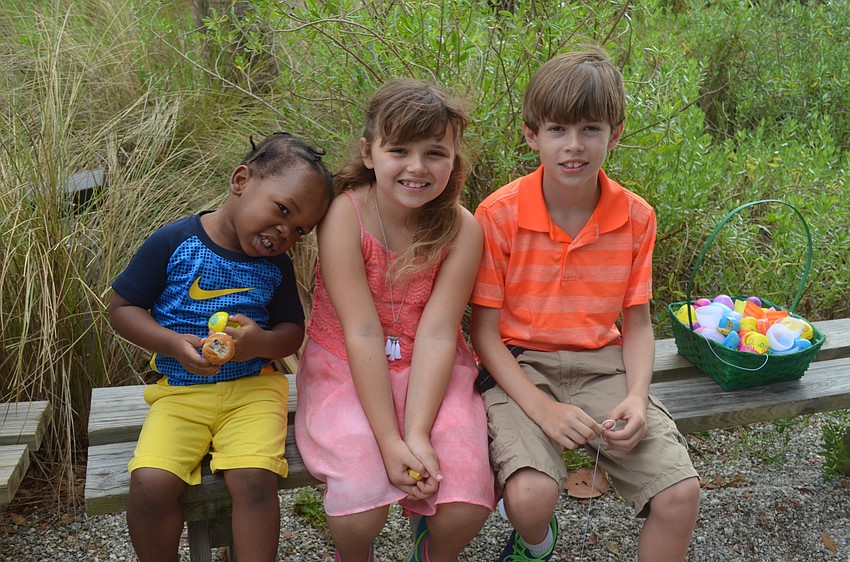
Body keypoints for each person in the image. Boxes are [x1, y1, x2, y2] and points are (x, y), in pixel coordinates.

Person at [469, 47, 701, 562]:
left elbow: (636, 323)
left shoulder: (637, 217)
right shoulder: (498, 215)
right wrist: (544, 410)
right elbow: (483, 333)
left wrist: (638, 397)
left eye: (590, 129)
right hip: (522, 365)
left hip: (603, 367)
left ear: (614, 132)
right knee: (530, 499)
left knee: (679, 494)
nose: (573, 147)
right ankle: (534, 543)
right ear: (532, 134)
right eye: (557, 130)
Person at [108, 132, 334, 562]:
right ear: (241, 180)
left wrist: (259, 344)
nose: (285, 232)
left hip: (254, 390)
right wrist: (173, 343)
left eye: (299, 230)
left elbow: (292, 331)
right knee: (151, 485)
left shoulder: (276, 266)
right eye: (282, 210)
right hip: (180, 392)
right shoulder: (175, 243)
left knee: (253, 479)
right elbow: (123, 309)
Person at [295, 79, 495, 562]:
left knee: (463, 502)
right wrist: (390, 439)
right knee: (360, 511)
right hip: (346, 363)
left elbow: (438, 330)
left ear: (454, 157)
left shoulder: (462, 230)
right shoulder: (347, 214)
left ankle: (430, 551)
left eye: (435, 153)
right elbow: (360, 328)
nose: (417, 168)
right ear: (369, 152)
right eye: (399, 150)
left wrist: (418, 433)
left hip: (431, 368)